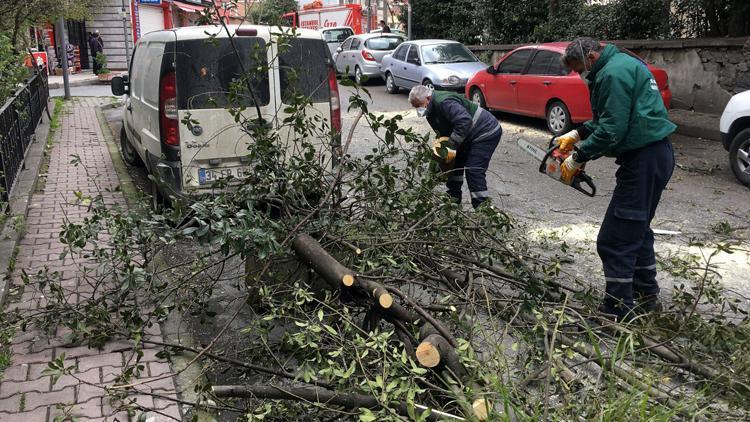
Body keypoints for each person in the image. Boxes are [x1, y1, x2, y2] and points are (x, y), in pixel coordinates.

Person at [556, 37, 677, 322]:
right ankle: (647, 298)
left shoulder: (611, 73)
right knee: (637, 230)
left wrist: (579, 156)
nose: (579, 74)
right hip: (654, 154)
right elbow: (610, 117)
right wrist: (578, 133)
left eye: (578, 68)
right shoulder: (621, 63)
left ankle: (617, 310)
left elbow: (612, 129)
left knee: (614, 240)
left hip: (644, 159)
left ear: (591, 58)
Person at [409, 85, 502, 208]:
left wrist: (451, 145)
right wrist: (442, 156)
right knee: (453, 167)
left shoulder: (444, 102)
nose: (418, 109)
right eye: (415, 107)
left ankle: (482, 209)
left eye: (419, 105)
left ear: (428, 97)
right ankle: (452, 203)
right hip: (466, 136)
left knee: (473, 170)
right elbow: (444, 133)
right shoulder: (430, 110)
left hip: (484, 132)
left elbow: (464, 121)